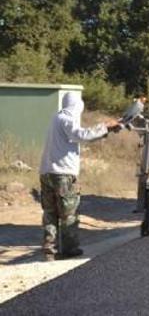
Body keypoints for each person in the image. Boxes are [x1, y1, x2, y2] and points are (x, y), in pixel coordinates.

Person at [38, 92, 120, 261]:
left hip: (47, 172)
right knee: (69, 213)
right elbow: (80, 135)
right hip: (62, 174)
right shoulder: (67, 119)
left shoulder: (57, 118)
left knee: (50, 213)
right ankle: (69, 250)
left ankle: (49, 249)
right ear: (77, 106)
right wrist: (105, 126)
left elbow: (79, 137)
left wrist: (105, 131)